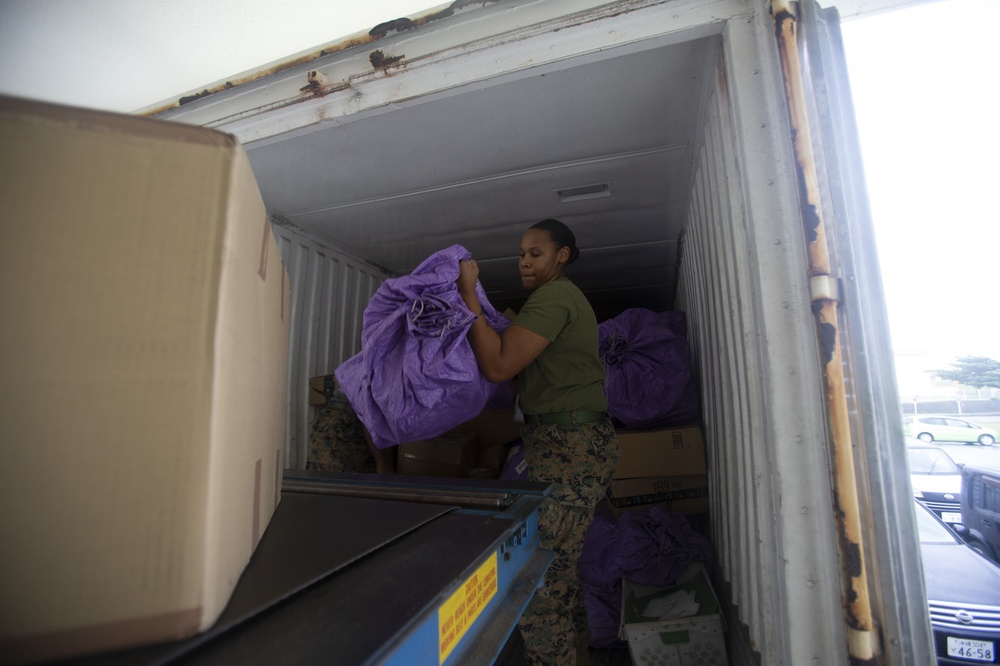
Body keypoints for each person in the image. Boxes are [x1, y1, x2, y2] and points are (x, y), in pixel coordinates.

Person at [456, 218, 619, 665]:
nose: (525, 262)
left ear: (561, 256)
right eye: (521, 254)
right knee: (557, 573)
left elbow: (500, 367)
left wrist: (468, 294)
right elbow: (523, 371)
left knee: (536, 577)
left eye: (536, 253)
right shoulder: (547, 301)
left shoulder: (554, 297)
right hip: (565, 444)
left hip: (571, 449)